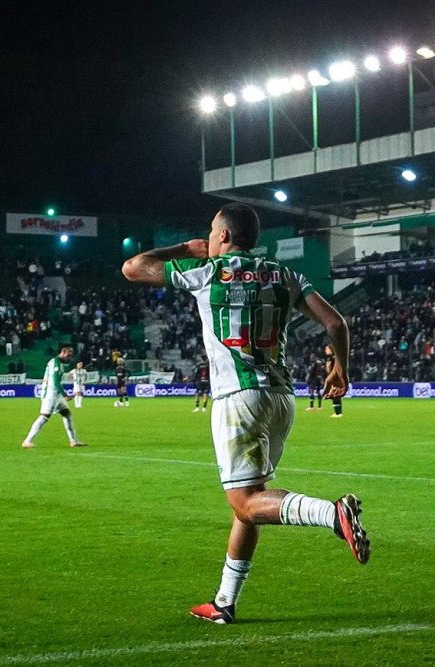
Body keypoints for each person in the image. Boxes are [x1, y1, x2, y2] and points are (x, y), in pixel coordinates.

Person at [122, 202, 369, 625]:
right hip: (280, 398)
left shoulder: (207, 274)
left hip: (238, 398)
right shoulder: (285, 275)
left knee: (248, 501)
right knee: (249, 503)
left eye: (210, 233)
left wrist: (185, 247)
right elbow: (336, 323)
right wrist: (340, 367)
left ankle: (333, 514)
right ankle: (224, 602)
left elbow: (133, 267)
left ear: (221, 235)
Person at [21, 343, 86, 448]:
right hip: (50, 393)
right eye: (69, 353)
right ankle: (27, 441)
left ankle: (73, 441)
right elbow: (55, 381)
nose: (71, 355)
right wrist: (65, 395)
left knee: (67, 414)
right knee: (44, 417)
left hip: (56, 393)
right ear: (63, 351)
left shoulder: (58, 362)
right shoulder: (56, 363)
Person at [324, 344, 343, 418]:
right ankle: (339, 412)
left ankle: (337, 413)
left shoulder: (330, 358)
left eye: (327, 349)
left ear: (330, 350)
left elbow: (328, 368)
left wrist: (329, 375)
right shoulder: (336, 357)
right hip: (338, 377)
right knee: (337, 394)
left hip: (334, 377)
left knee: (334, 394)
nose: (326, 351)